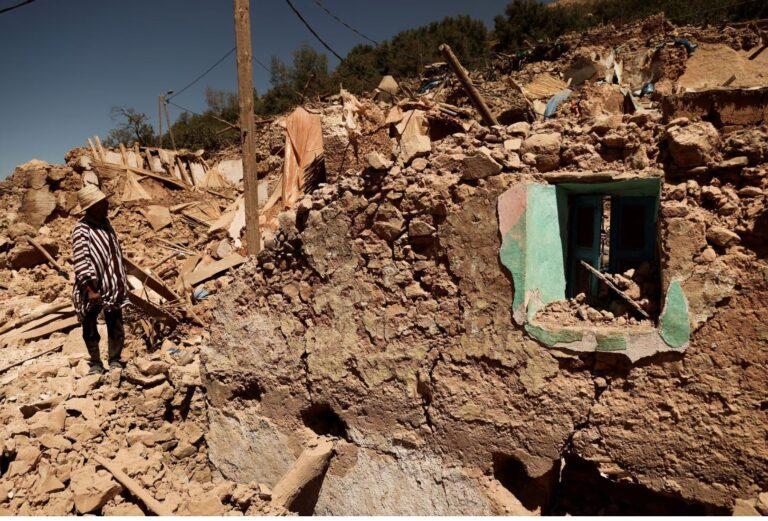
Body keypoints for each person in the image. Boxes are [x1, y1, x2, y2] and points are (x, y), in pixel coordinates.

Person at [71, 185, 129, 375]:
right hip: (92, 288)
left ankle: (115, 359)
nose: (107, 205)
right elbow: (81, 260)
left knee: (115, 323)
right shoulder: (81, 229)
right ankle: (96, 362)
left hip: (112, 285)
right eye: (103, 203)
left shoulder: (106, 224)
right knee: (90, 324)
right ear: (93, 206)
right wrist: (90, 290)